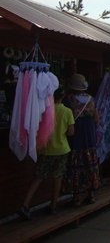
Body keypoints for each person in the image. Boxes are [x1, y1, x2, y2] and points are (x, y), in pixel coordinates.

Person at [17, 88, 75, 220]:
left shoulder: (44, 111)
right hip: (61, 150)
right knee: (57, 177)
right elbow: (71, 132)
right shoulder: (67, 111)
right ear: (63, 96)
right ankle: (53, 206)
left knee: (38, 177)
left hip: (45, 150)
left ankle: (25, 205)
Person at [64, 73, 100, 206]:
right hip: (89, 133)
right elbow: (97, 119)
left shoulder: (68, 100)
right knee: (90, 164)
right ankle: (90, 195)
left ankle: (77, 197)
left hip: (76, 133)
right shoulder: (92, 99)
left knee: (75, 164)